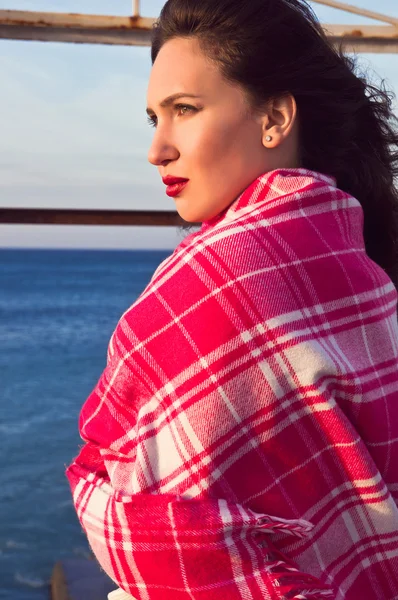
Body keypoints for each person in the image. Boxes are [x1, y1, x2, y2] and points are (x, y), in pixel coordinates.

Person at [66, 0, 398, 598]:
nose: (157, 149)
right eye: (153, 119)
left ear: (274, 119)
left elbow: (126, 487)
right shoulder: (365, 265)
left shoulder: (215, 277)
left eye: (185, 110)